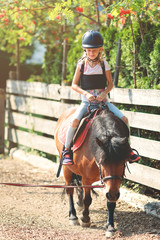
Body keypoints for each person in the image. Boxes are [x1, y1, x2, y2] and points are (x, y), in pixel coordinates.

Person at [62, 30, 140, 165]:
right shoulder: (81, 65)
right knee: (74, 121)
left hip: (103, 102)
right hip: (87, 103)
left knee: (124, 119)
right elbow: (74, 85)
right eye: (88, 50)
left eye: (94, 50)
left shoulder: (104, 64)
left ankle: (128, 149)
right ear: (85, 50)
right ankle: (67, 150)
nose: (91, 53)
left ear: (100, 50)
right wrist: (86, 94)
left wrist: (104, 93)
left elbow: (111, 84)